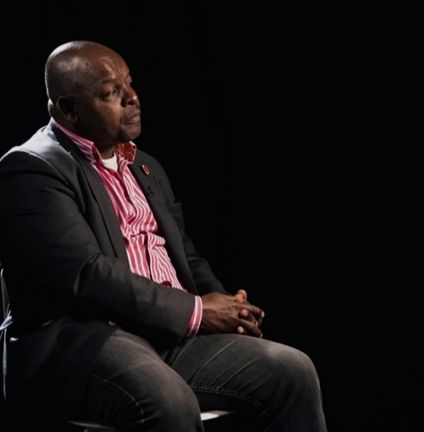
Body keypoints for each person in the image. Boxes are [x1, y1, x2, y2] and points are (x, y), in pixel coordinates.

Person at [0, 41, 327, 431]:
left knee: (291, 371)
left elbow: (184, 258)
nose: (132, 98)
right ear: (69, 109)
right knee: (167, 400)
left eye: (130, 85)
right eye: (111, 93)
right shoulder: (31, 169)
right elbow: (87, 274)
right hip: (87, 342)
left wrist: (226, 307)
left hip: (167, 334)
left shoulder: (144, 166)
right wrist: (199, 312)